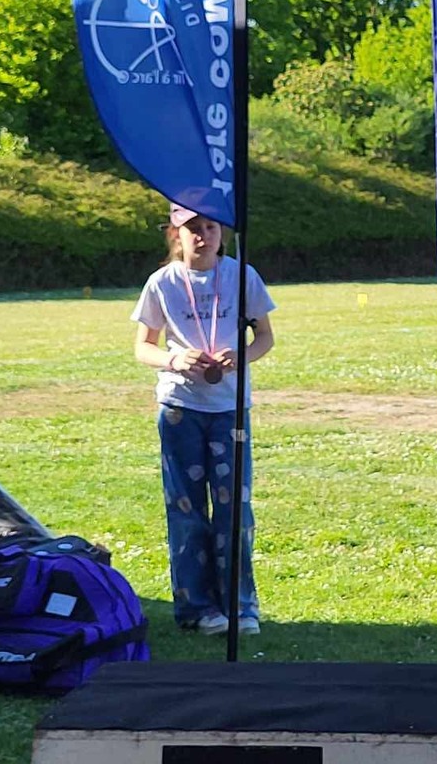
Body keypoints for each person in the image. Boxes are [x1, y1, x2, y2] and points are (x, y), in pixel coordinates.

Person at [131, 204, 275, 636]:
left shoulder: (242, 277)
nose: (202, 235)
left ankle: (240, 606)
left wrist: (241, 356)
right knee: (186, 510)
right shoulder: (162, 283)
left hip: (229, 408)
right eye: (192, 228)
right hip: (181, 409)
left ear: (221, 234)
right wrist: (174, 360)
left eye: (210, 227)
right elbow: (143, 347)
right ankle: (197, 608)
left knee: (235, 511)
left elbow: (265, 337)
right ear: (175, 235)